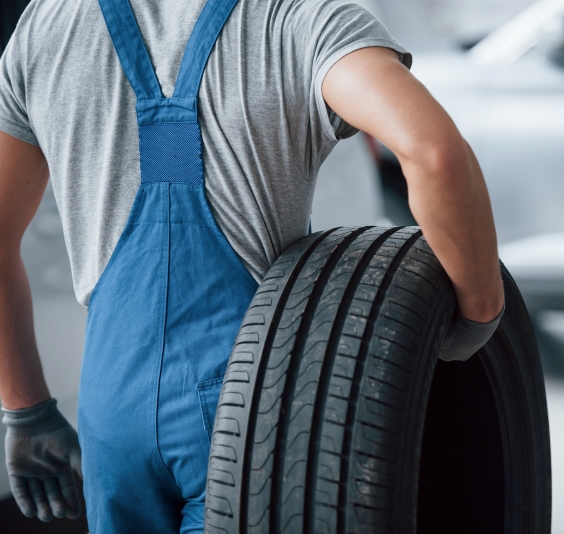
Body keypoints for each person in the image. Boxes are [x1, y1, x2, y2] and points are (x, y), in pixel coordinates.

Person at [0, 0, 505, 530]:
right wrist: (479, 318)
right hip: (253, 400)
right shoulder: (300, 16)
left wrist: (25, 409)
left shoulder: (46, 24)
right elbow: (435, 155)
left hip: (111, 409)